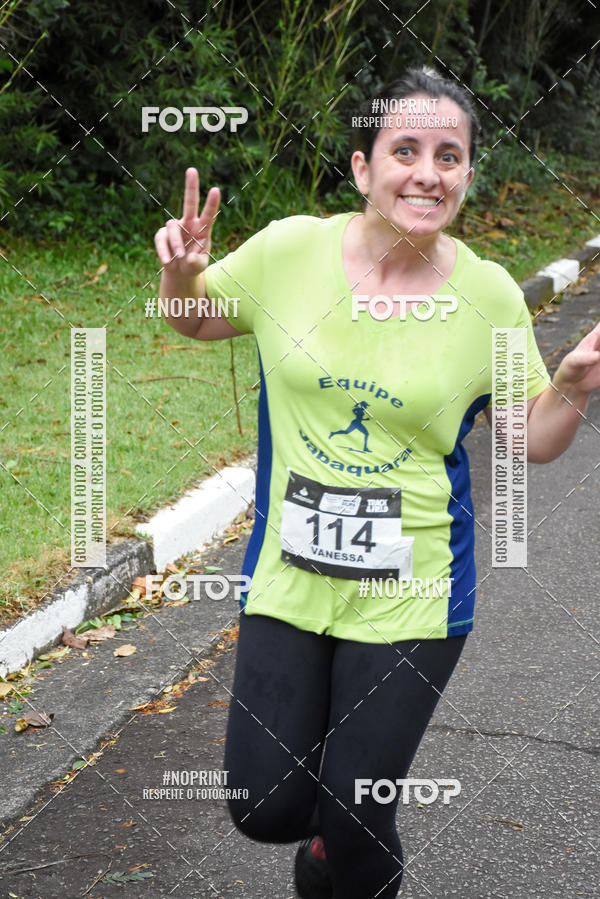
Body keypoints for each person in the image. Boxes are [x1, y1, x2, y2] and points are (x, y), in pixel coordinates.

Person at [154, 66, 600, 899]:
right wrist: (180, 275)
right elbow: (197, 318)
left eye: (449, 155)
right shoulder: (291, 251)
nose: (427, 172)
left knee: (355, 811)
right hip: (289, 578)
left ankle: (348, 861)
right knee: (264, 805)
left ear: (467, 172)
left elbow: (526, 438)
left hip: (416, 592)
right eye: (405, 150)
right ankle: (326, 836)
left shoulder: (489, 296)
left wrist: (570, 384)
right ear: (363, 168)